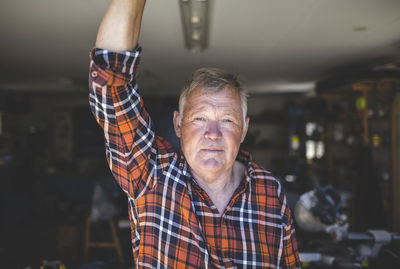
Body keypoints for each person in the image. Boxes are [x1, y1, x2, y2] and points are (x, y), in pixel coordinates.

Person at [89, 0, 300, 267]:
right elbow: (112, 88)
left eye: (227, 120)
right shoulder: (152, 176)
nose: (213, 133)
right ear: (178, 125)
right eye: (200, 119)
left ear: (244, 129)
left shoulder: (270, 192)